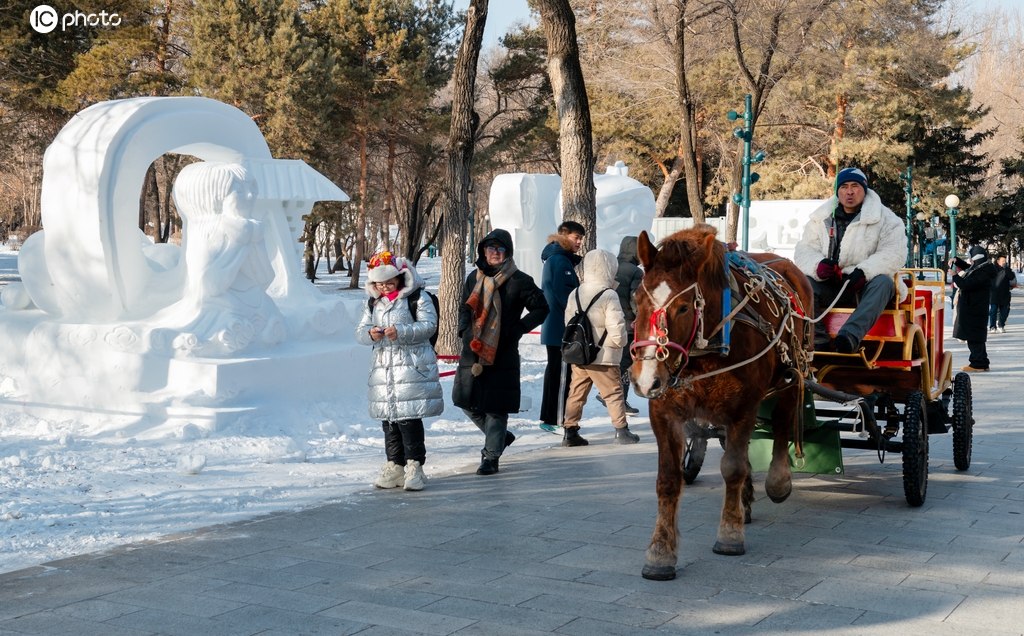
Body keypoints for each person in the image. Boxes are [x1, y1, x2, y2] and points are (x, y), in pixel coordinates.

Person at [452, 229, 549, 475]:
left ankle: (490, 457)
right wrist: (464, 330)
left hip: (501, 351)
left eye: (500, 248)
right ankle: (500, 436)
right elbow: (465, 307)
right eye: (490, 248)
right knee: (466, 401)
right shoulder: (474, 277)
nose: (494, 253)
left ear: (508, 252)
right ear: (483, 250)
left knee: (495, 406)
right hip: (472, 348)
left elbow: (541, 307)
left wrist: (517, 330)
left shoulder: (520, 280)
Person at [794, 167, 908, 354]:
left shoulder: (888, 219)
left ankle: (849, 336)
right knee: (804, 282)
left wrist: (864, 272)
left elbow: (893, 253)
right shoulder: (820, 218)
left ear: (865, 189)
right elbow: (804, 250)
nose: (849, 191)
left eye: (855, 186)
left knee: (885, 282)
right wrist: (818, 266)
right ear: (837, 190)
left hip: (865, 287)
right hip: (830, 284)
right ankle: (817, 338)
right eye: (844, 186)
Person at [356, 252, 443, 491]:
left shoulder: (417, 297)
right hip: (383, 370)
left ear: (399, 278)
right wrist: (369, 334)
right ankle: (394, 465)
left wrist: (401, 332)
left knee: (409, 418)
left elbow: (429, 326)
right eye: (379, 283)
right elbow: (360, 330)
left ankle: (415, 466)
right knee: (390, 421)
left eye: (389, 282)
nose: (384, 287)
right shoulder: (372, 302)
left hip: (410, 366)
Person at [561, 249, 640, 447]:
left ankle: (570, 432)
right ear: (609, 268)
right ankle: (621, 431)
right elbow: (616, 326)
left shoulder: (575, 293)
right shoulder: (608, 294)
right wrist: (621, 343)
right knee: (614, 393)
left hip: (580, 354)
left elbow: (568, 321)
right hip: (604, 355)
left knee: (576, 393)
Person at [539, 221, 585, 432]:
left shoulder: (555, 258)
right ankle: (556, 420)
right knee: (561, 377)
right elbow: (565, 295)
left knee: (555, 374)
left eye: (581, 239)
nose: (579, 243)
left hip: (555, 326)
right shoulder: (560, 260)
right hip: (561, 328)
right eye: (576, 238)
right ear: (564, 236)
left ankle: (549, 419)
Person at [596, 236, 643, 415]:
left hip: (605, 323)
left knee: (613, 361)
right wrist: (640, 317)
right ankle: (617, 399)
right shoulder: (635, 272)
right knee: (626, 363)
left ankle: (608, 393)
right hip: (627, 325)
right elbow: (635, 299)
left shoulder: (610, 266)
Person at [951, 245, 997, 372]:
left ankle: (976, 363)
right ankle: (983, 362)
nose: (970, 262)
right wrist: (957, 261)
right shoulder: (983, 268)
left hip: (974, 308)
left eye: (971, 259)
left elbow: (966, 285)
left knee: (973, 336)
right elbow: (970, 269)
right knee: (976, 336)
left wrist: (955, 275)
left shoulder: (982, 273)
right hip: (975, 307)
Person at [989, 254, 1016, 334]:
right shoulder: (993, 269)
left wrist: (1006, 268)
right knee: (993, 311)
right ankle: (992, 326)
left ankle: (1001, 325)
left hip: (1004, 294)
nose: (1004, 262)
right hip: (994, 293)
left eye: (1005, 261)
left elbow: (1011, 277)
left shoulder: (1007, 269)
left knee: (1004, 312)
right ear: (998, 261)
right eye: (1002, 261)